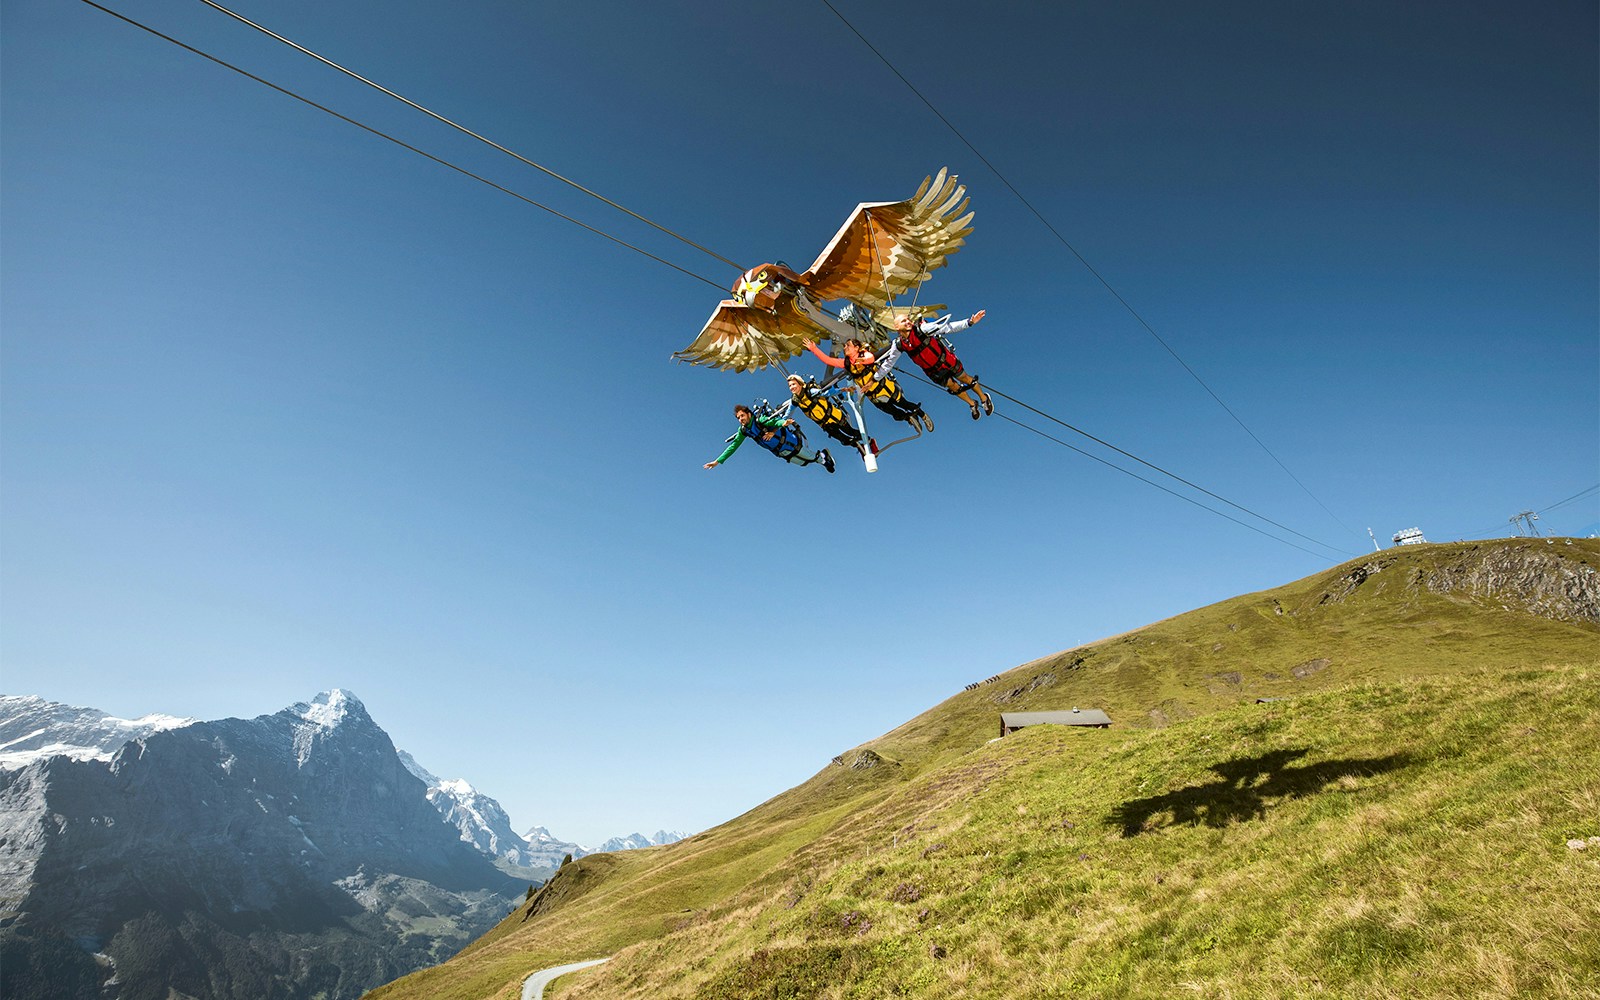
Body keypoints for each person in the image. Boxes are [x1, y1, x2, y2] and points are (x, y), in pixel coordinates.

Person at [878, 309, 993, 420]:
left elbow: (946, 328)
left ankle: (984, 398)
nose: (908, 322)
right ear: (897, 327)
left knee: (964, 378)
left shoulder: (921, 329)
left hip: (945, 360)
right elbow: (888, 363)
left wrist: (969, 322)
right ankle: (972, 404)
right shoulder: (898, 344)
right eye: (904, 321)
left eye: (908, 319)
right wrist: (875, 378)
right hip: (933, 371)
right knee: (953, 386)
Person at [802, 338, 932, 432]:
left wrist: (858, 361)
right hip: (874, 396)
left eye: (848, 345)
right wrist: (814, 348)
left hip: (885, 388)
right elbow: (828, 360)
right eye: (845, 346)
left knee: (904, 404)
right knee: (894, 413)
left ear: (857, 348)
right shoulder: (846, 363)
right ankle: (909, 418)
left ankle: (923, 415)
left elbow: (870, 358)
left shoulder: (864, 355)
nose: (845, 347)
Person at [704, 404, 834, 473]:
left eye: (742, 416)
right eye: (738, 418)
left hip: (789, 442)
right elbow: (733, 446)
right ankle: (820, 459)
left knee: (809, 456)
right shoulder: (744, 431)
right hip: (779, 451)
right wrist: (718, 461)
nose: (740, 419)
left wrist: (783, 423)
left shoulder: (759, 420)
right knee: (803, 463)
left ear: (749, 414)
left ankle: (823, 457)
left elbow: (773, 421)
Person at [785, 374, 865, 456]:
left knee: (851, 432)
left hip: (834, 416)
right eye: (790, 386)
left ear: (800, 383)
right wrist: (780, 422)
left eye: (794, 384)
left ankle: (868, 441)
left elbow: (827, 393)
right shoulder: (795, 401)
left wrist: (843, 389)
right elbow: (787, 414)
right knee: (844, 440)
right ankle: (860, 447)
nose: (792, 387)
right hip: (826, 425)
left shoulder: (811, 391)